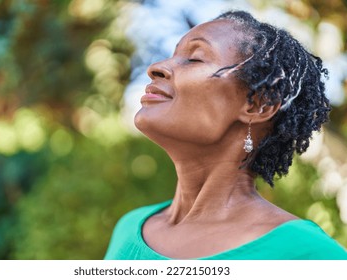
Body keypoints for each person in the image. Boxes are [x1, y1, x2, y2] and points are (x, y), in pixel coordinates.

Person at [104, 10, 347, 260]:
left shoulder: (305, 254)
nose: (156, 67)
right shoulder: (129, 228)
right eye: (173, 55)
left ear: (258, 105)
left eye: (195, 59)